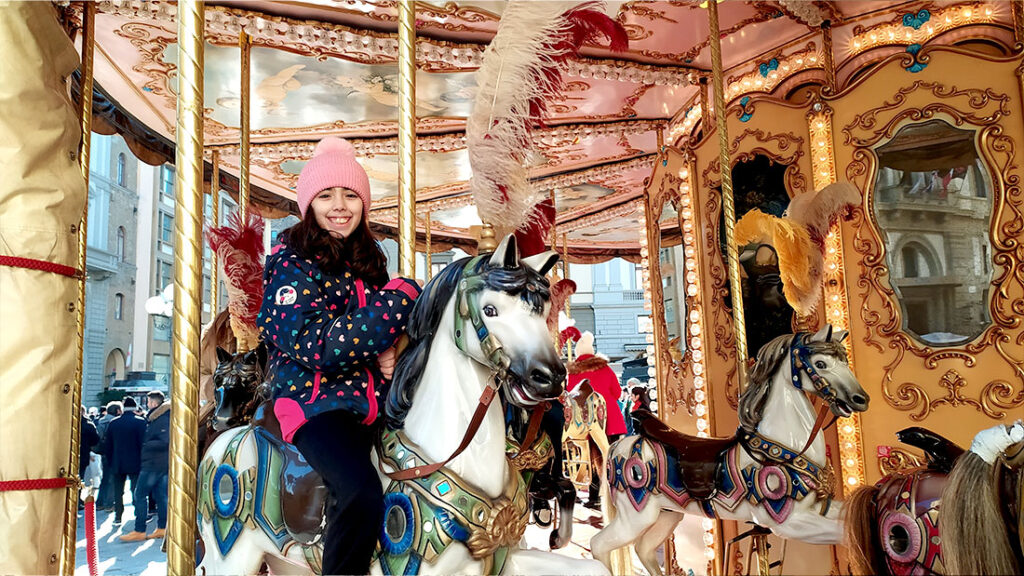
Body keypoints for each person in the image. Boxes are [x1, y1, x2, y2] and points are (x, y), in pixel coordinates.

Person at [258, 136, 421, 574]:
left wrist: (395, 347)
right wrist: (402, 296)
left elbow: (380, 332)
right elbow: (320, 345)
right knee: (359, 490)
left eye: (351, 194)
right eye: (326, 195)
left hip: (373, 405)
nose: (340, 205)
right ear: (308, 204)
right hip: (313, 406)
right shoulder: (291, 263)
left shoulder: (371, 261)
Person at [566, 331, 627, 509]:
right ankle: (615, 492)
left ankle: (595, 496)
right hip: (611, 420)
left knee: (591, 458)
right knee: (610, 457)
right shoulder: (605, 368)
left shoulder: (573, 372)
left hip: (586, 421)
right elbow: (616, 392)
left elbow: (571, 395)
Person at [119, 391, 168, 541]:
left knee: (139, 494)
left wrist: (146, 444)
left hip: (154, 463)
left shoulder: (161, 418)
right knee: (161, 496)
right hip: (158, 462)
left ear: (154, 403)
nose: (147, 405)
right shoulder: (158, 417)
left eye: (148, 402)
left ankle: (140, 529)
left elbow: (165, 440)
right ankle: (162, 527)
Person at [104, 396, 145, 524]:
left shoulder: (114, 423)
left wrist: (111, 461)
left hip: (118, 462)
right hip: (135, 461)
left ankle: (118, 516)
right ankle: (138, 513)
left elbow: (108, 445)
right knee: (136, 490)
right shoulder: (140, 422)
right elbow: (143, 443)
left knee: (118, 491)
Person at [93, 401, 122, 510]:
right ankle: (109, 503)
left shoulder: (101, 421)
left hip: (103, 453)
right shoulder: (115, 422)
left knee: (104, 479)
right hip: (113, 452)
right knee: (112, 479)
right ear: (118, 411)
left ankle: (100, 503)